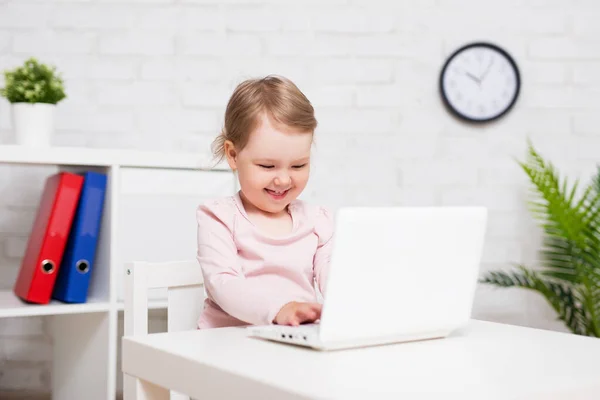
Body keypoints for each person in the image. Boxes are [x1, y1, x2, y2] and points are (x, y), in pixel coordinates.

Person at [195, 75, 334, 329]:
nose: (283, 179)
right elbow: (223, 284)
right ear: (233, 155)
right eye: (267, 166)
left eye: (299, 165)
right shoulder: (220, 217)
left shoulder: (318, 221)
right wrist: (279, 310)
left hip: (291, 343)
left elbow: (334, 279)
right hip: (227, 346)